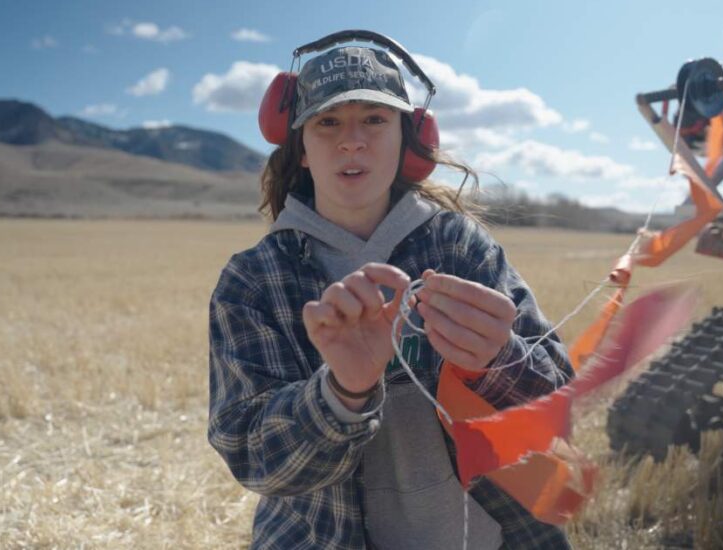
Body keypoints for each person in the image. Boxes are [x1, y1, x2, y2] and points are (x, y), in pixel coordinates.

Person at [207, 31, 574, 549]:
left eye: (375, 120)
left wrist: (499, 361)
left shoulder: (460, 247)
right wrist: (339, 394)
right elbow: (253, 457)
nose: (351, 140)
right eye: (327, 121)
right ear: (302, 149)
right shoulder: (254, 280)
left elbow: (554, 412)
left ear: (409, 141)